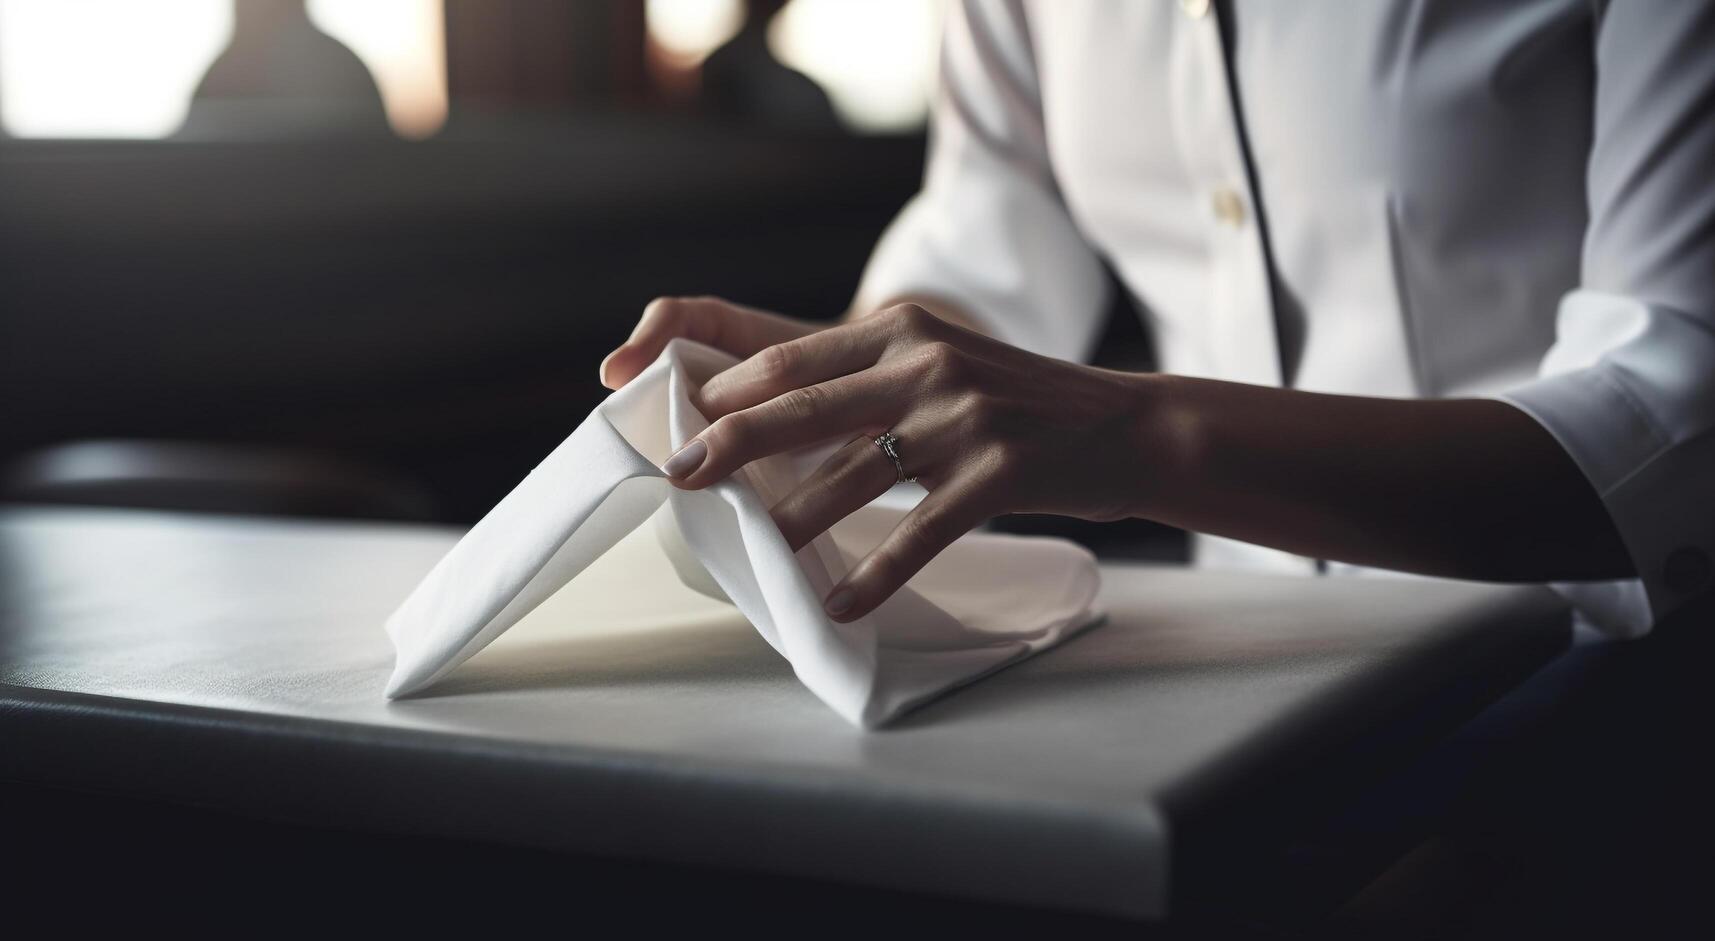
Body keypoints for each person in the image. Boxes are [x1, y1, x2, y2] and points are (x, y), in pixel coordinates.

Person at [600, 0, 1715, 639]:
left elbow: (1670, 418)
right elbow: (996, 234)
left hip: (1606, 701)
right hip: (1237, 692)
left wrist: (1132, 437)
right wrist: (841, 385)